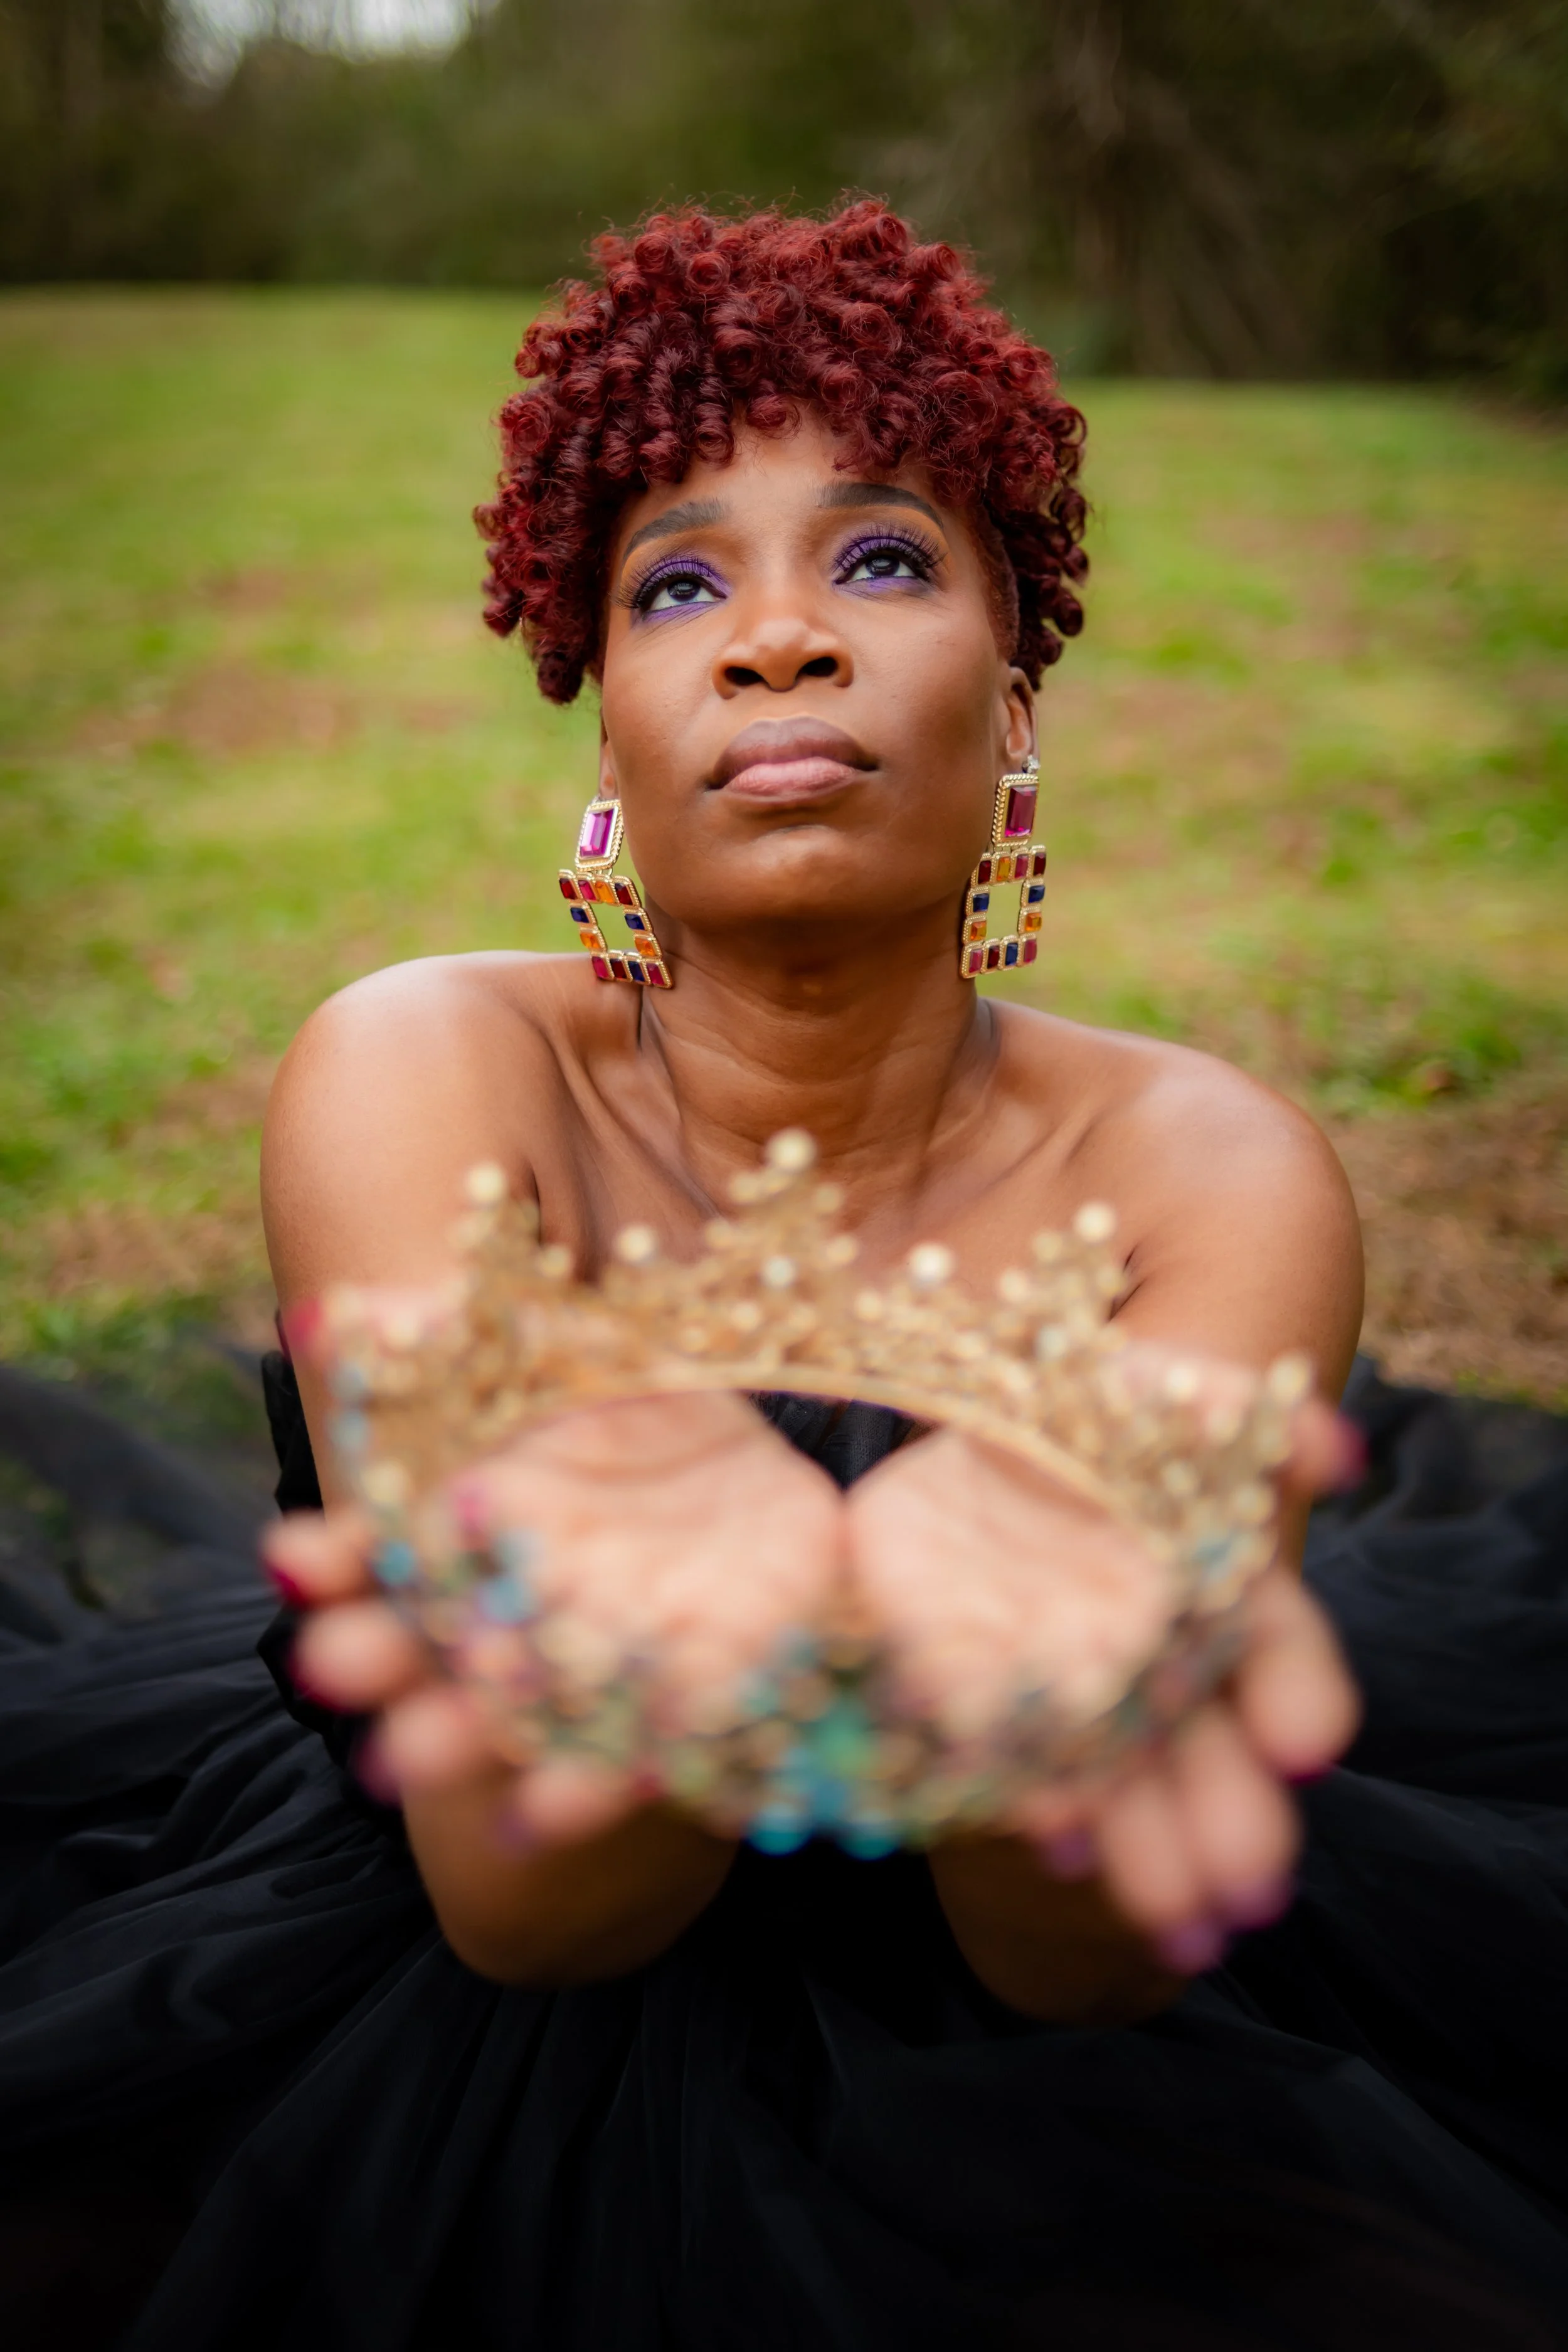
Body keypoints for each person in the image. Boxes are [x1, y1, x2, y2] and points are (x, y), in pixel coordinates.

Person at [2, 201, 1566, 2351]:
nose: (778, 640)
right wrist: (730, 1625)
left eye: (884, 557)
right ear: (613, 733)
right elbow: (528, 1907)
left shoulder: (1213, 1179)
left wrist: (1022, 1685)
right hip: (455, 1974)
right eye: (677, 585)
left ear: (1014, 712)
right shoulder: (423, 1073)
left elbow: (1069, 1963)